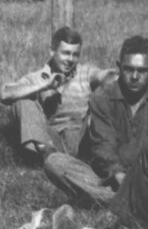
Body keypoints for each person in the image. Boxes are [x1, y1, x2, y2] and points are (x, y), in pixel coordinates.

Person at [43, 36, 148, 205]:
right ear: (118, 67)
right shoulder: (101, 97)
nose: (134, 76)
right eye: (128, 69)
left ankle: (129, 202)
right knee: (55, 162)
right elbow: (104, 149)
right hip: (112, 181)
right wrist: (121, 178)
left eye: (141, 71)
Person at [1, 26, 115, 163]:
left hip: (83, 139)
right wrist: (44, 85)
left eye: (75, 54)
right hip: (53, 142)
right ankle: (49, 158)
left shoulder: (85, 73)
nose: (70, 59)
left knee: (100, 99)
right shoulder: (38, 78)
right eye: (66, 53)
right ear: (52, 51)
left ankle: (96, 159)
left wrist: (109, 78)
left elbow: (105, 76)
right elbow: (5, 94)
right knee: (23, 102)